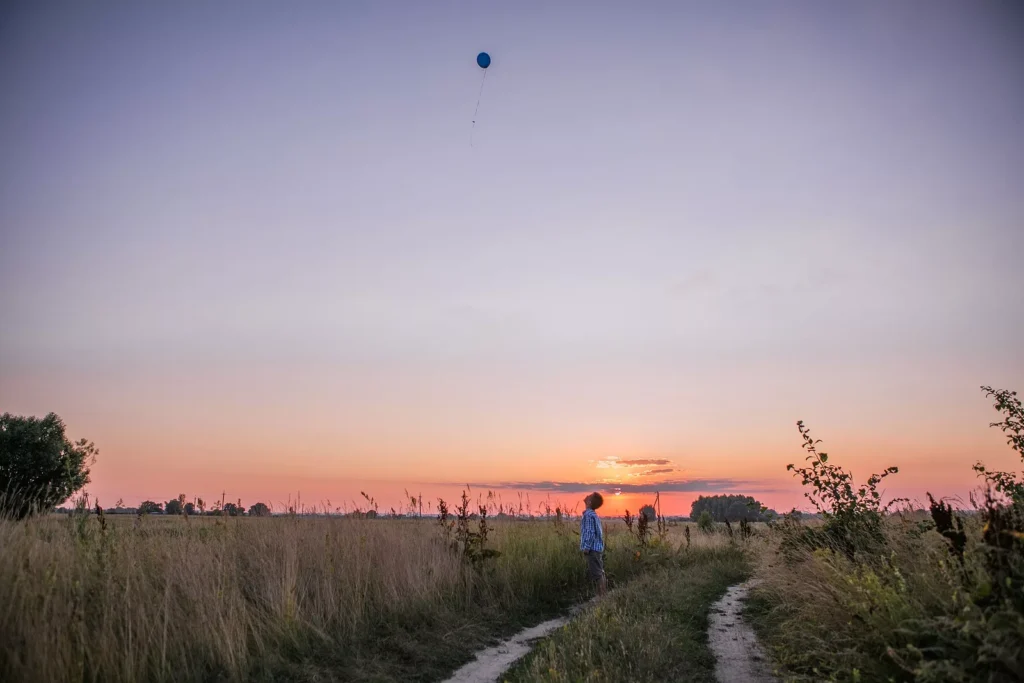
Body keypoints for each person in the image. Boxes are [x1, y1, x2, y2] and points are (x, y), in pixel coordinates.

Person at [580, 491, 607, 596]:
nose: (587, 495)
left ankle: (601, 596)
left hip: (592, 549)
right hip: (596, 548)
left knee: (597, 574)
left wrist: (586, 547)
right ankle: (602, 594)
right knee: (600, 571)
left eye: (589, 496)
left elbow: (590, 532)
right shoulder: (593, 515)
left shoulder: (588, 515)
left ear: (589, 502)